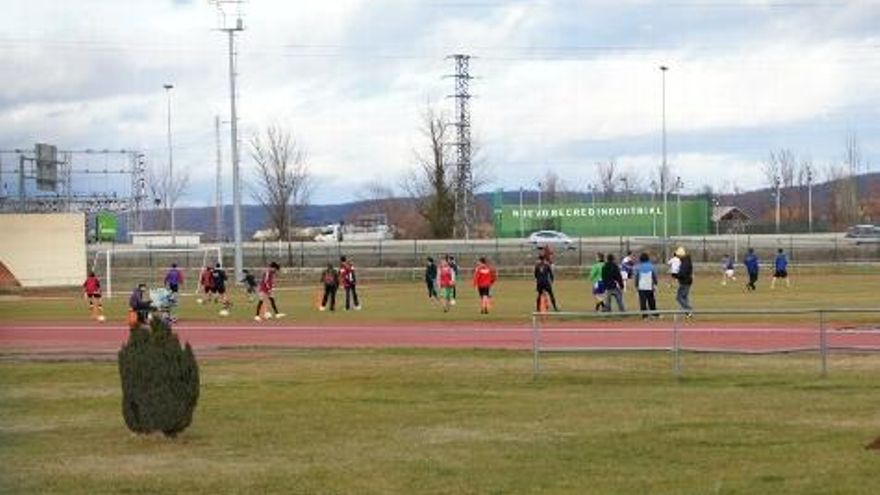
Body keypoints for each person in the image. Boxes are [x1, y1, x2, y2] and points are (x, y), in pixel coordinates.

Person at [672, 246, 694, 318]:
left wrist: (676, 275)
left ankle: (689, 310)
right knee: (684, 297)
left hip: (685, 281)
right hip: (686, 281)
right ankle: (688, 313)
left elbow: (683, 273)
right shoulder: (686, 260)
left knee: (679, 297)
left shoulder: (685, 262)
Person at [635, 252, 658, 318]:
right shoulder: (651, 266)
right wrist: (656, 283)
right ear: (648, 259)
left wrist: (636, 285)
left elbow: (637, 277)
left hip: (641, 286)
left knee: (643, 301)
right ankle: (654, 314)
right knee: (651, 300)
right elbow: (654, 276)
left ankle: (644, 316)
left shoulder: (638, 267)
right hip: (649, 286)